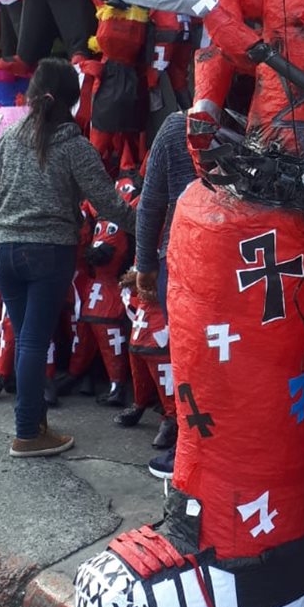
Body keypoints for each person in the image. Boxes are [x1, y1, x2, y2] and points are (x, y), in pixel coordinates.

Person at [0, 57, 135, 458]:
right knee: (33, 340)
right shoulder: (75, 147)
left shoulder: (8, 140)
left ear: (32, 96)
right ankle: (28, 432)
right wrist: (148, 229)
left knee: (25, 334)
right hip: (48, 253)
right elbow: (108, 205)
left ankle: (33, 420)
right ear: (74, 99)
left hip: (4, 251)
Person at [126, 109, 196, 478]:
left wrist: (145, 264)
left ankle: (189, 450)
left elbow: (151, 204)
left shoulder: (177, 125)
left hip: (185, 256)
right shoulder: (263, 124)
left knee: (188, 360)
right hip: (248, 263)